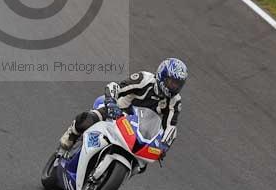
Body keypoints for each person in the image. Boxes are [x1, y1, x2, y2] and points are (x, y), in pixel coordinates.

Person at [59, 58, 188, 168]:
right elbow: (117, 86)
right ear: (162, 76)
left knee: (142, 164)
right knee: (90, 119)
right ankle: (69, 138)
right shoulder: (144, 80)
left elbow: (170, 127)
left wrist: (164, 146)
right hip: (117, 113)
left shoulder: (175, 101)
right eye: (172, 82)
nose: (174, 87)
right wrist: (111, 102)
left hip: (139, 131)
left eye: (178, 85)